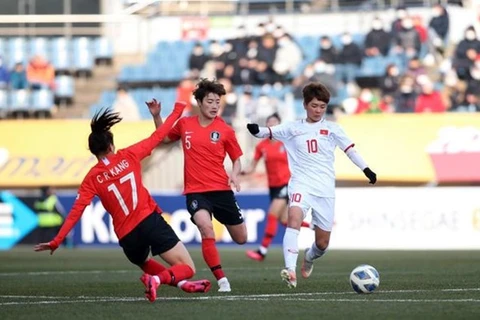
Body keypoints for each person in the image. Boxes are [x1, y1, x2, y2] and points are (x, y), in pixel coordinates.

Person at [34, 102, 211, 302]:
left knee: (143, 260)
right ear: (111, 146)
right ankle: (158, 280)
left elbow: (76, 211)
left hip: (127, 236)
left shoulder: (91, 178)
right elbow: (159, 136)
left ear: (93, 151)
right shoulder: (129, 155)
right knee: (188, 267)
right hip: (148, 221)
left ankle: (180, 284)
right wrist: (176, 111)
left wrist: (57, 241)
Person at [246, 82, 377, 288]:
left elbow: (350, 150)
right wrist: (255, 129)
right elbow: (268, 131)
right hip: (300, 184)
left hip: (324, 190)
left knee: (322, 244)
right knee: (293, 219)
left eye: (322, 106)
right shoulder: (292, 128)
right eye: (314, 105)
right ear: (306, 105)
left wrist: (366, 169)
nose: (318, 110)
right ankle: (290, 270)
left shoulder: (333, 129)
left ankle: (309, 257)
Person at [147, 79, 246, 292]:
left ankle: (222, 275)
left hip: (222, 190)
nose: (214, 106)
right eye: (209, 101)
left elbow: (237, 158)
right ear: (199, 102)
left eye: (217, 102)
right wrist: (157, 116)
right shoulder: (185, 124)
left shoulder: (225, 130)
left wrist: (235, 175)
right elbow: (163, 140)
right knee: (205, 227)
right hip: (196, 191)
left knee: (241, 238)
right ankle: (222, 279)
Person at [243, 113, 311, 262]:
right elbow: (252, 167)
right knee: (285, 220)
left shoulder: (287, 142)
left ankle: (262, 251)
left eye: (275, 123)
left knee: (272, 213)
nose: (272, 125)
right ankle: (314, 226)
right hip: (273, 186)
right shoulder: (262, 146)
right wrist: (240, 172)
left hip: (287, 183)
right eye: (270, 122)